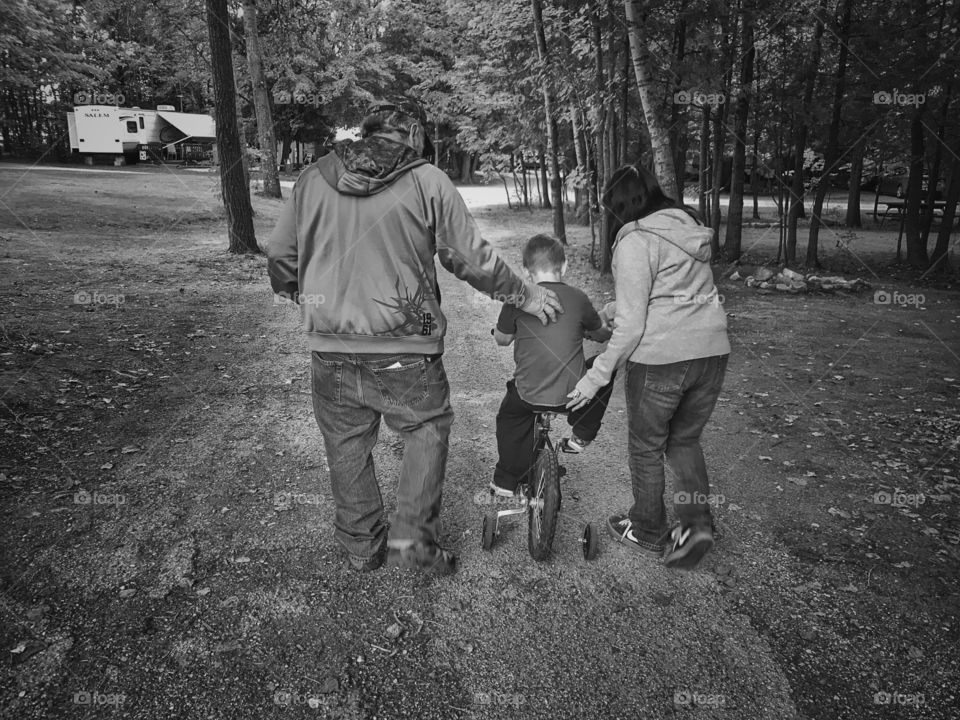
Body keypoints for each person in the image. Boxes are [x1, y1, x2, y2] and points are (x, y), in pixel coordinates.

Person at [265, 100, 562, 576]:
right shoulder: (427, 181)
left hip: (330, 345)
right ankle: (411, 542)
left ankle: (362, 547)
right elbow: (469, 256)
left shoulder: (313, 178)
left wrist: (303, 296)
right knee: (425, 430)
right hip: (409, 342)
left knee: (345, 443)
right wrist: (522, 294)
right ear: (414, 138)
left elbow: (281, 256)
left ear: (367, 134)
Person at [566, 164, 730, 570]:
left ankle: (647, 529)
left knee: (646, 446)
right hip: (710, 351)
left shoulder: (636, 238)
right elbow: (665, 294)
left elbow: (635, 325)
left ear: (622, 206)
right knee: (685, 441)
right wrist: (608, 311)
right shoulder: (686, 226)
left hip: (661, 358)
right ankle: (695, 529)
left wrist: (596, 376)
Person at [491, 234, 615, 496]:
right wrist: (600, 322)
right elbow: (601, 334)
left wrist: (500, 331)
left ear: (526, 271)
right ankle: (582, 431)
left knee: (509, 418)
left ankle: (506, 480)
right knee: (605, 368)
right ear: (565, 266)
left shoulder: (517, 299)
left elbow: (502, 340)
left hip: (528, 395)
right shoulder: (579, 298)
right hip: (573, 396)